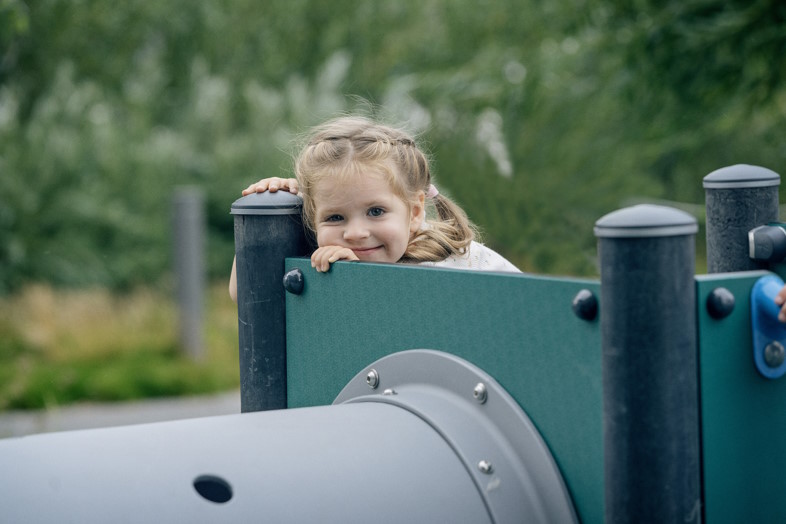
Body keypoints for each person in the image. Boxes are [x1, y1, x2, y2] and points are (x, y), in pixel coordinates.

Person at [229, 116, 520, 302]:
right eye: (334, 217)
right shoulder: (333, 251)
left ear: (415, 213)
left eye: (376, 212)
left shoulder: (444, 270)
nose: (355, 233)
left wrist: (352, 281)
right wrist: (269, 212)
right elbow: (246, 293)